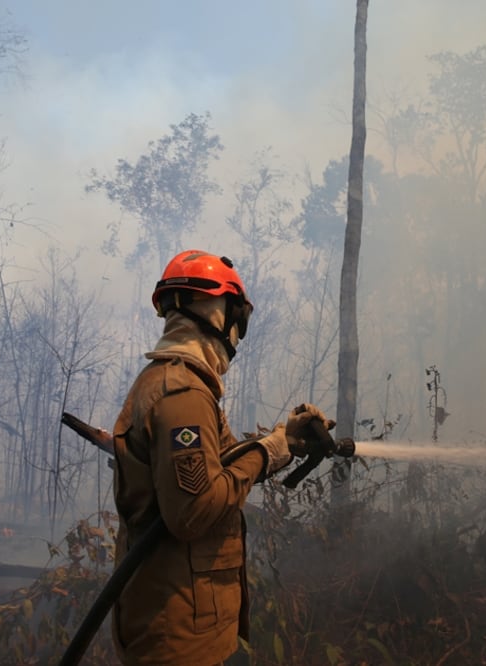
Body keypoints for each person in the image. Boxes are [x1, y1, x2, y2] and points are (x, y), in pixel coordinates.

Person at [109, 249, 330, 665]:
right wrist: (267, 453)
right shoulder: (184, 395)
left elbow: (225, 462)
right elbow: (193, 511)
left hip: (181, 621)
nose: (237, 332)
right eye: (237, 318)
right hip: (182, 634)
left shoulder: (172, 382)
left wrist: (285, 441)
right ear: (215, 313)